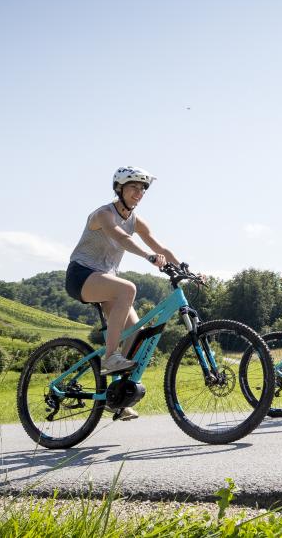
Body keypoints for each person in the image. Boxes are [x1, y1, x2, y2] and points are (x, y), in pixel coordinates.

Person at [64, 167, 183, 416]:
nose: (138, 193)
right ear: (119, 189)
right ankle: (110, 357)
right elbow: (120, 238)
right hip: (81, 275)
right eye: (133, 187)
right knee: (128, 288)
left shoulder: (136, 221)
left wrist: (185, 269)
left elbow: (160, 246)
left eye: (142, 189)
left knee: (138, 334)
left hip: (105, 279)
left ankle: (115, 396)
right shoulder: (103, 214)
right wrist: (147, 256)